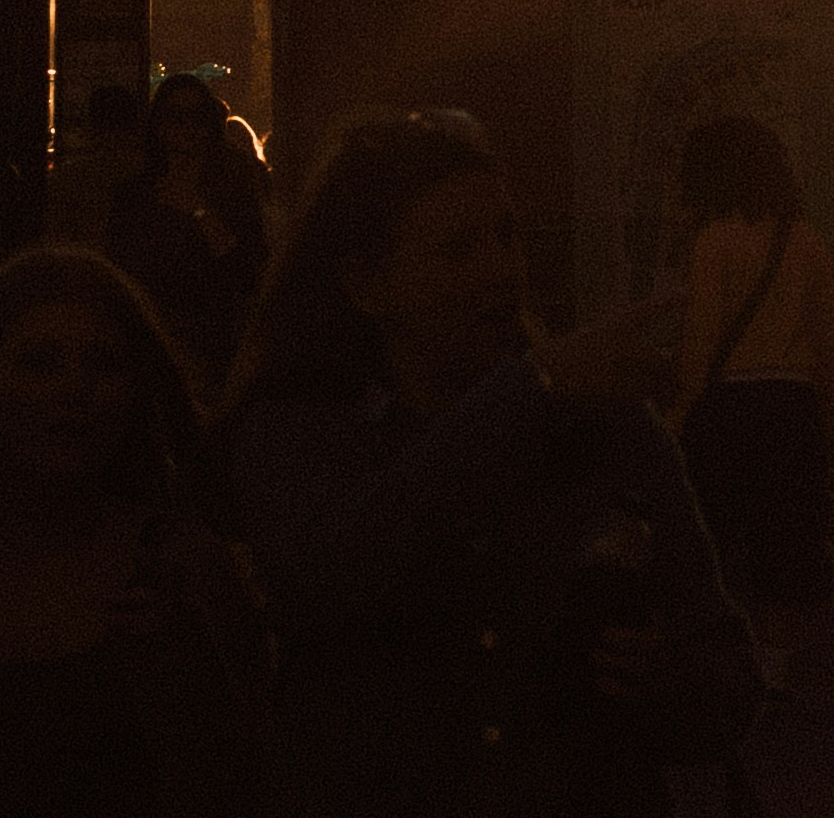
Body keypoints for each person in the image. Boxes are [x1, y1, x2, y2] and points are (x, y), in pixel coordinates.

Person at [222, 112, 758, 814]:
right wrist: (527, 394)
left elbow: (727, 680)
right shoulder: (305, 430)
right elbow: (328, 580)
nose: (499, 271)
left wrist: (666, 681)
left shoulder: (606, 432)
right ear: (366, 285)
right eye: (458, 250)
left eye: (507, 238)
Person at [0, 242, 261, 815]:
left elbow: (236, 781)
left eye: (103, 363)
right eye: (40, 362)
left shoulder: (176, 571)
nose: (75, 391)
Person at [667, 112, 834, 683]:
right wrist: (825, 415)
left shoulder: (713, 242)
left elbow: (700, 342)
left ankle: (724, 671)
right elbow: (828, 343)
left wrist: (678, 412)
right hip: (792, 408)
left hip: (729, 410)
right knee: (784, 550)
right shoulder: (806, 241)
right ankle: (777, 671)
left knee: (718, 546)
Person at [108, 73, 272, 384]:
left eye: (197, 117)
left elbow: (249, 272)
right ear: (158, 125)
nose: (187, 128)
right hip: (151, 344)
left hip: (216, 344)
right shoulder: (135, 194)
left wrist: (199, 211)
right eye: (176, 117)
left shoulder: (234, 190)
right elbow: (121, 271)